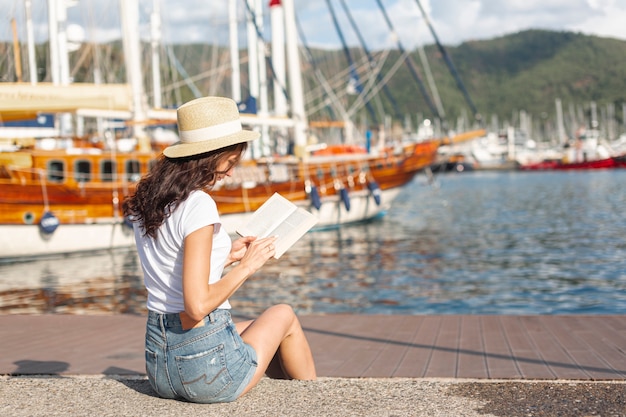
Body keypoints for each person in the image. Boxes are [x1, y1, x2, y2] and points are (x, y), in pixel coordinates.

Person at [123, 96, 316, 404]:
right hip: (203, 372)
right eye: (231, 162)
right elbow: (196, 306)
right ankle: (315, 400)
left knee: (256, 328)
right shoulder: (198, 204)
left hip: (160, 365)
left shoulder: (149, 201)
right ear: (211, 156)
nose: (230, 173)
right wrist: (248, 265)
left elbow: (171, 266)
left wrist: (226, 258)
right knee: (284, 315)